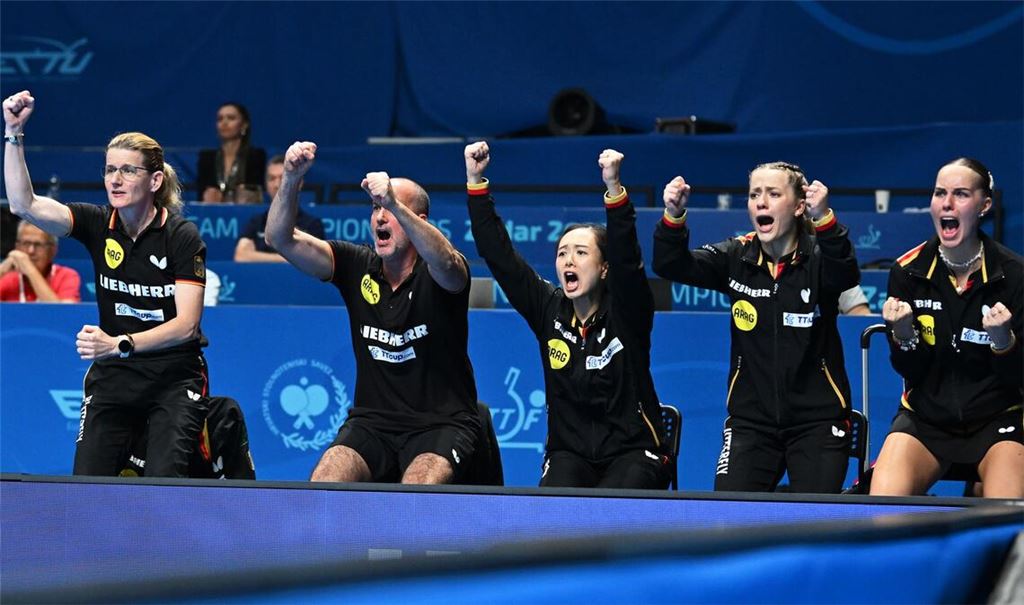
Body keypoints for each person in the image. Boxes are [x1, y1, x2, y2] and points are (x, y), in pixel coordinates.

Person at [3, 90, 211, 477]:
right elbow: (23, 204)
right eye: (109, 169)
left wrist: (120, 343)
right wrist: (13, 132)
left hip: (173, 376)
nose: (115, 179)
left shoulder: (181, 237)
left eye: (128, 170)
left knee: (163, 485)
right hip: (114, 376)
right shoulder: (97, 224)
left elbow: (187, 326)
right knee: (87, 487)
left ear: (154, 180)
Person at [266, 141, 479, 484]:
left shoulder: (442, 273)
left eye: (390, 210)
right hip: (372, 422)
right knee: (324, 483)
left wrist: (392, 199)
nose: (380, 216)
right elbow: (280, 238)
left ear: (417, 221)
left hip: (443, 424)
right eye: (375, 208)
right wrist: (290, 178)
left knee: (416, 494)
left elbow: (446, 260)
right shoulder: (357, 265)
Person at [465, 143, 670, 488]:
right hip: (569, 454)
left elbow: (628, 262)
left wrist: (614, 190)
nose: (568, 261)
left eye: (580, 252)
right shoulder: (549, 308)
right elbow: (499, 256)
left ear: (604, 269)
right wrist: (476, 181)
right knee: (551, 515)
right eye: (562, 253)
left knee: (612, 512)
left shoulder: (627, 312)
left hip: (635, 452)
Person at [653, 163, 860, 493]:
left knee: (816, 519)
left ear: (798, 206)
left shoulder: (819, 258)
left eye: (773, 194)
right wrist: (674, 215)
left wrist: (825, 219)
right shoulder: (737, 256)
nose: (761, 202)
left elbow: (846, 274)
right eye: (754, 194)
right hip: (751, 423)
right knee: (728, 515)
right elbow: (670, 264)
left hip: (817, 422)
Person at [871, 158, 1022, 498]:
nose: (947, 203)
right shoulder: (908, 272)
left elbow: (1018, 377)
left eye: (961, 194)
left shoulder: (1014, 275)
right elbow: (910, 369)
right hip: (926, 419)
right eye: (940, 193)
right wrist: (904, 337)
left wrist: (1004, 343)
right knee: (882, 510)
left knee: (1004, 517)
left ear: (985, 205)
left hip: (997, 421)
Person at [234, 155, 324, 263]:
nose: (276, 185)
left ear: (299, 183)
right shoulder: (256, 222)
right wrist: (289, 258)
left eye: (282, 178)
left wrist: (257, 256)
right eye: (271, 178)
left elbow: (314, 261)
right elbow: (241, 256)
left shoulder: (312, 225)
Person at [196, 102, 266, 203]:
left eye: (231, 118)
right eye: (220, 119)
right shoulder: (206, 158)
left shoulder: (255, 156)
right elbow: (201, 194)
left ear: (244, 125)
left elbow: (256, 192)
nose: (224, 122)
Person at [0, 220, 81, 302]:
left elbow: (63, 313)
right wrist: (1, 270)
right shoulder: (7, 278)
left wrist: (30, 270)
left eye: (38, 244)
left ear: (53, 250)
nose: (31, 251)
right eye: (26, 243)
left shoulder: (66, 276)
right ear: (17, 246)